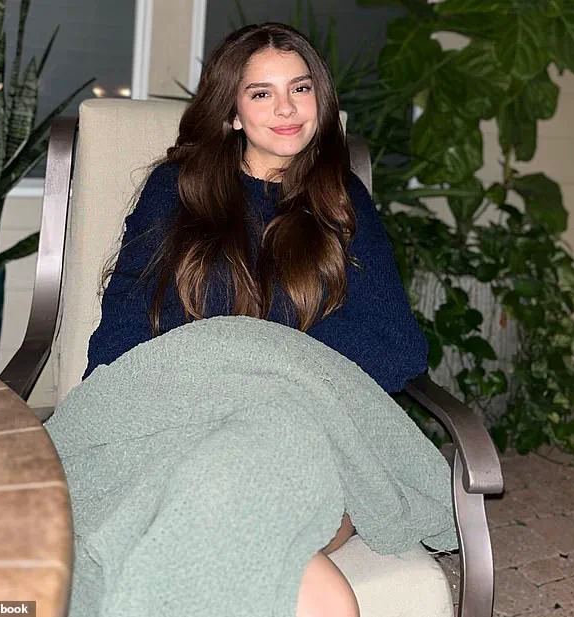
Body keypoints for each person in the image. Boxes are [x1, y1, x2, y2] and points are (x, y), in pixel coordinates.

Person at [83, 22, 429, 617]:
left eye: (300, 88)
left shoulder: (342, 199)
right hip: (187, 424)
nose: (286, 109)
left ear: (321, 99)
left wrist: (263, 367)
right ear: (233, 112)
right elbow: (125, 327)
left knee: (235, 496)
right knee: (223, 506)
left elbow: (397, 345)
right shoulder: (178, 189)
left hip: (307, 434)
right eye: (262, 93)